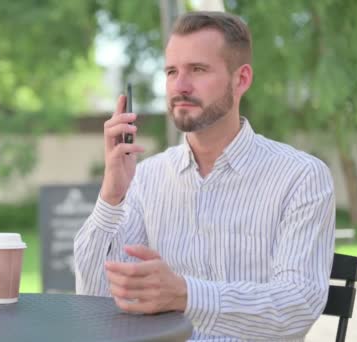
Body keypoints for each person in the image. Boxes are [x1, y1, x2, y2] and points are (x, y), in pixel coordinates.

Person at [73, 11, 335, 341]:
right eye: (171, 71)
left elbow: (295, 308)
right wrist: (111, 197)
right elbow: (94, 298)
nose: (180, 86)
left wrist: (185, 294)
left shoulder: (301, 177)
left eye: (197, 70)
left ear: (241, 79)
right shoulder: (147, 177)